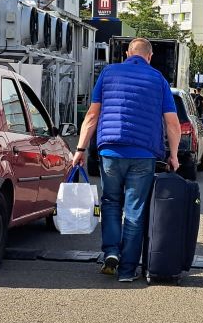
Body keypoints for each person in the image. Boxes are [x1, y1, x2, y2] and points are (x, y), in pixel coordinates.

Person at [73, 38, 181, 282]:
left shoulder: (108, 73)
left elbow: (92, 115)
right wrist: (173, 155)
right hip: (143, 154)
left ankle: (111, 252)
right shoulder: (158, 79)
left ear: (127, 53)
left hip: (110, 151)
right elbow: (172, 123)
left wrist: (80, 148)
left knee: (111, 202)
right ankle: (128, 269)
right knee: (135, 209)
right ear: (150, 56)